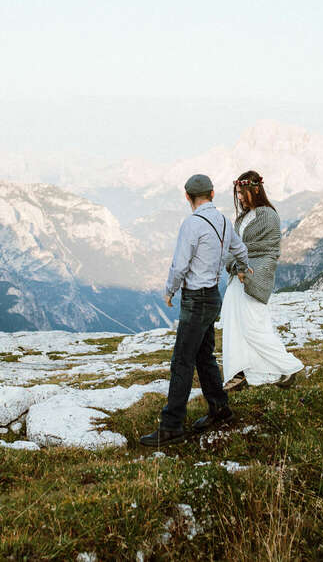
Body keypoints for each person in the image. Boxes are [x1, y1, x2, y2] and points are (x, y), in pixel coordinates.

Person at [139, 174, 251, 447]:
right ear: (212, 194)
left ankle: (172, 426)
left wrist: (169, 291)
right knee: (204, 356)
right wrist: (243, 269)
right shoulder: (224, 221)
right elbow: (240, 249)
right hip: (213, 296)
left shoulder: (192, 224)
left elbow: (180, 265)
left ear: (187, 197)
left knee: (181, 362)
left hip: (195, 298)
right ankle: (220, 409)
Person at [220, 170, 304, 391]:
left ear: (254, 190)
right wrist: (235, 262)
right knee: (233, 325)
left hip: (252, 278)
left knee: (254, 327)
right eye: (237, 193)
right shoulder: (244, 217)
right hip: (237, 278)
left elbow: (266, 249)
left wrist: (242, 265)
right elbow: (237, 246)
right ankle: (239, 373)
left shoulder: (268, 215)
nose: (239, 198)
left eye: (241, 193)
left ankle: (289, 366)